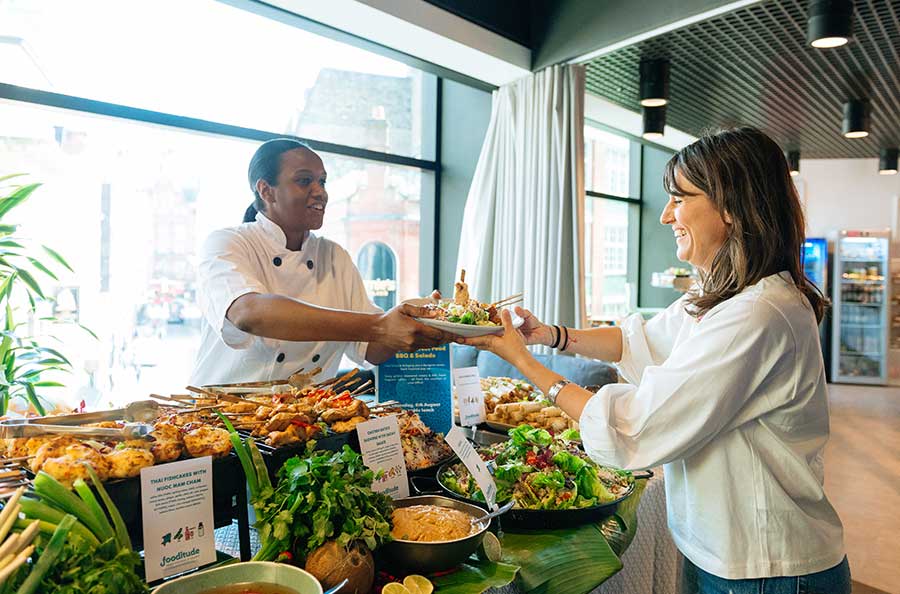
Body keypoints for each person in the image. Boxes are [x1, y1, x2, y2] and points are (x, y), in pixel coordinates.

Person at [460, 127, 849, 593]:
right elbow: (639, 340)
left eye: (679, 199)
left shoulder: (758, 313)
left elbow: (637, 424)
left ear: (731, 206)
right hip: (724, 551)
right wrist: (549, 336)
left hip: (767, 566)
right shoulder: (726, 296)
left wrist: (524, 361)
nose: (666, 215)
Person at [191, 138, 449, 385]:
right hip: (221, 421)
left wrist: (417, 317)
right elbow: (249, 313)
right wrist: (379, 326)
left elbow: (370, 350)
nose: (320, 193)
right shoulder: (227, 243)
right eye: (304, 181)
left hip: (309, 422)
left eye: (322, 181)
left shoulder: (334, 256)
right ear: (266, 190)